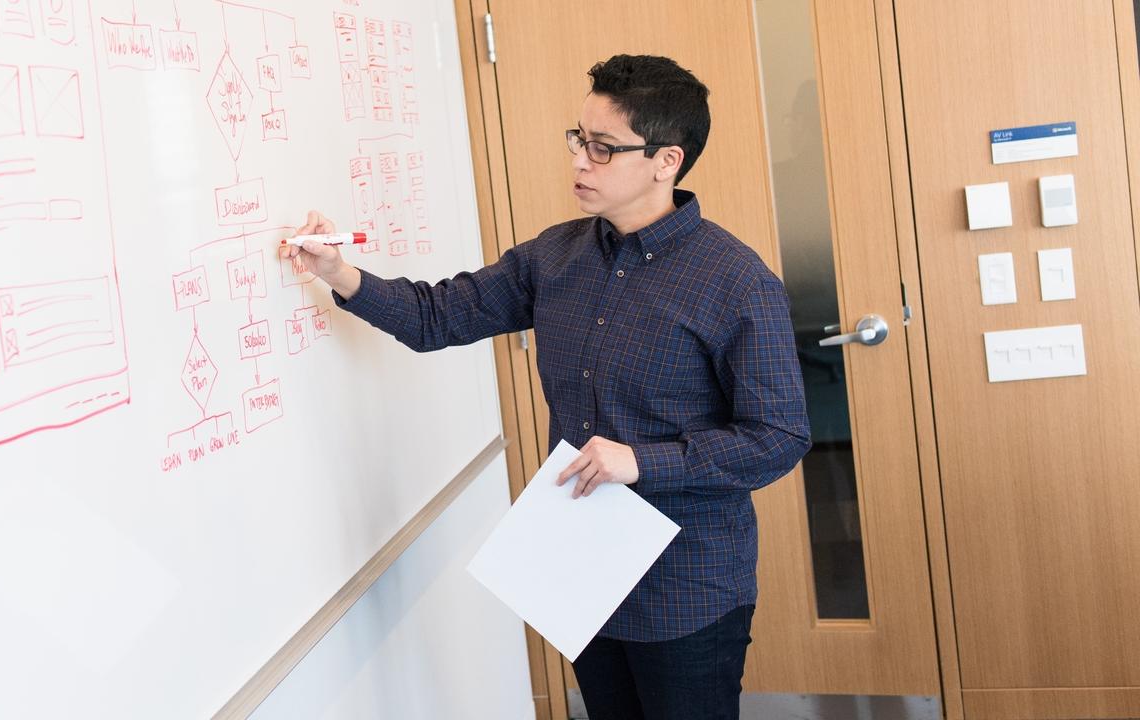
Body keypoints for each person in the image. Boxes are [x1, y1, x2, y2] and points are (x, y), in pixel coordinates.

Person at [282, 54, 809, 720]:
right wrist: (339, 272)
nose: (580, 161)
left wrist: (643, 461)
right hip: (582, 572)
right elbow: (436, 315)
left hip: (687, 585)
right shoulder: (556, 255)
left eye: (603, 147)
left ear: (666, 161)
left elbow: (778, 438)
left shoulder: (735, 281)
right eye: (578, 140)